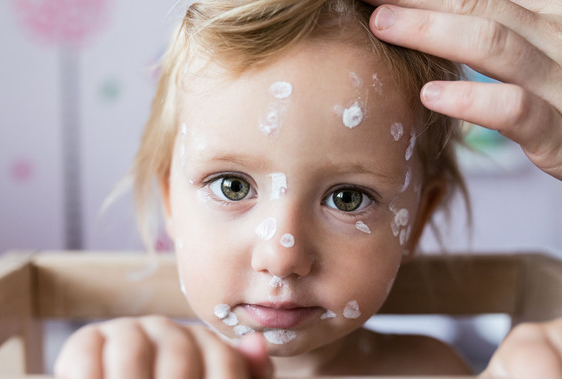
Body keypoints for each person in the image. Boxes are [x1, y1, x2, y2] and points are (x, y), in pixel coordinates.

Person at [54, 0, 562, 378]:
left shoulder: (430, 370)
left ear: (417, 224)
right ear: (169, 201)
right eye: (232, 186)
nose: (282, 255)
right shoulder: (151, 367)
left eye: (347, 198)